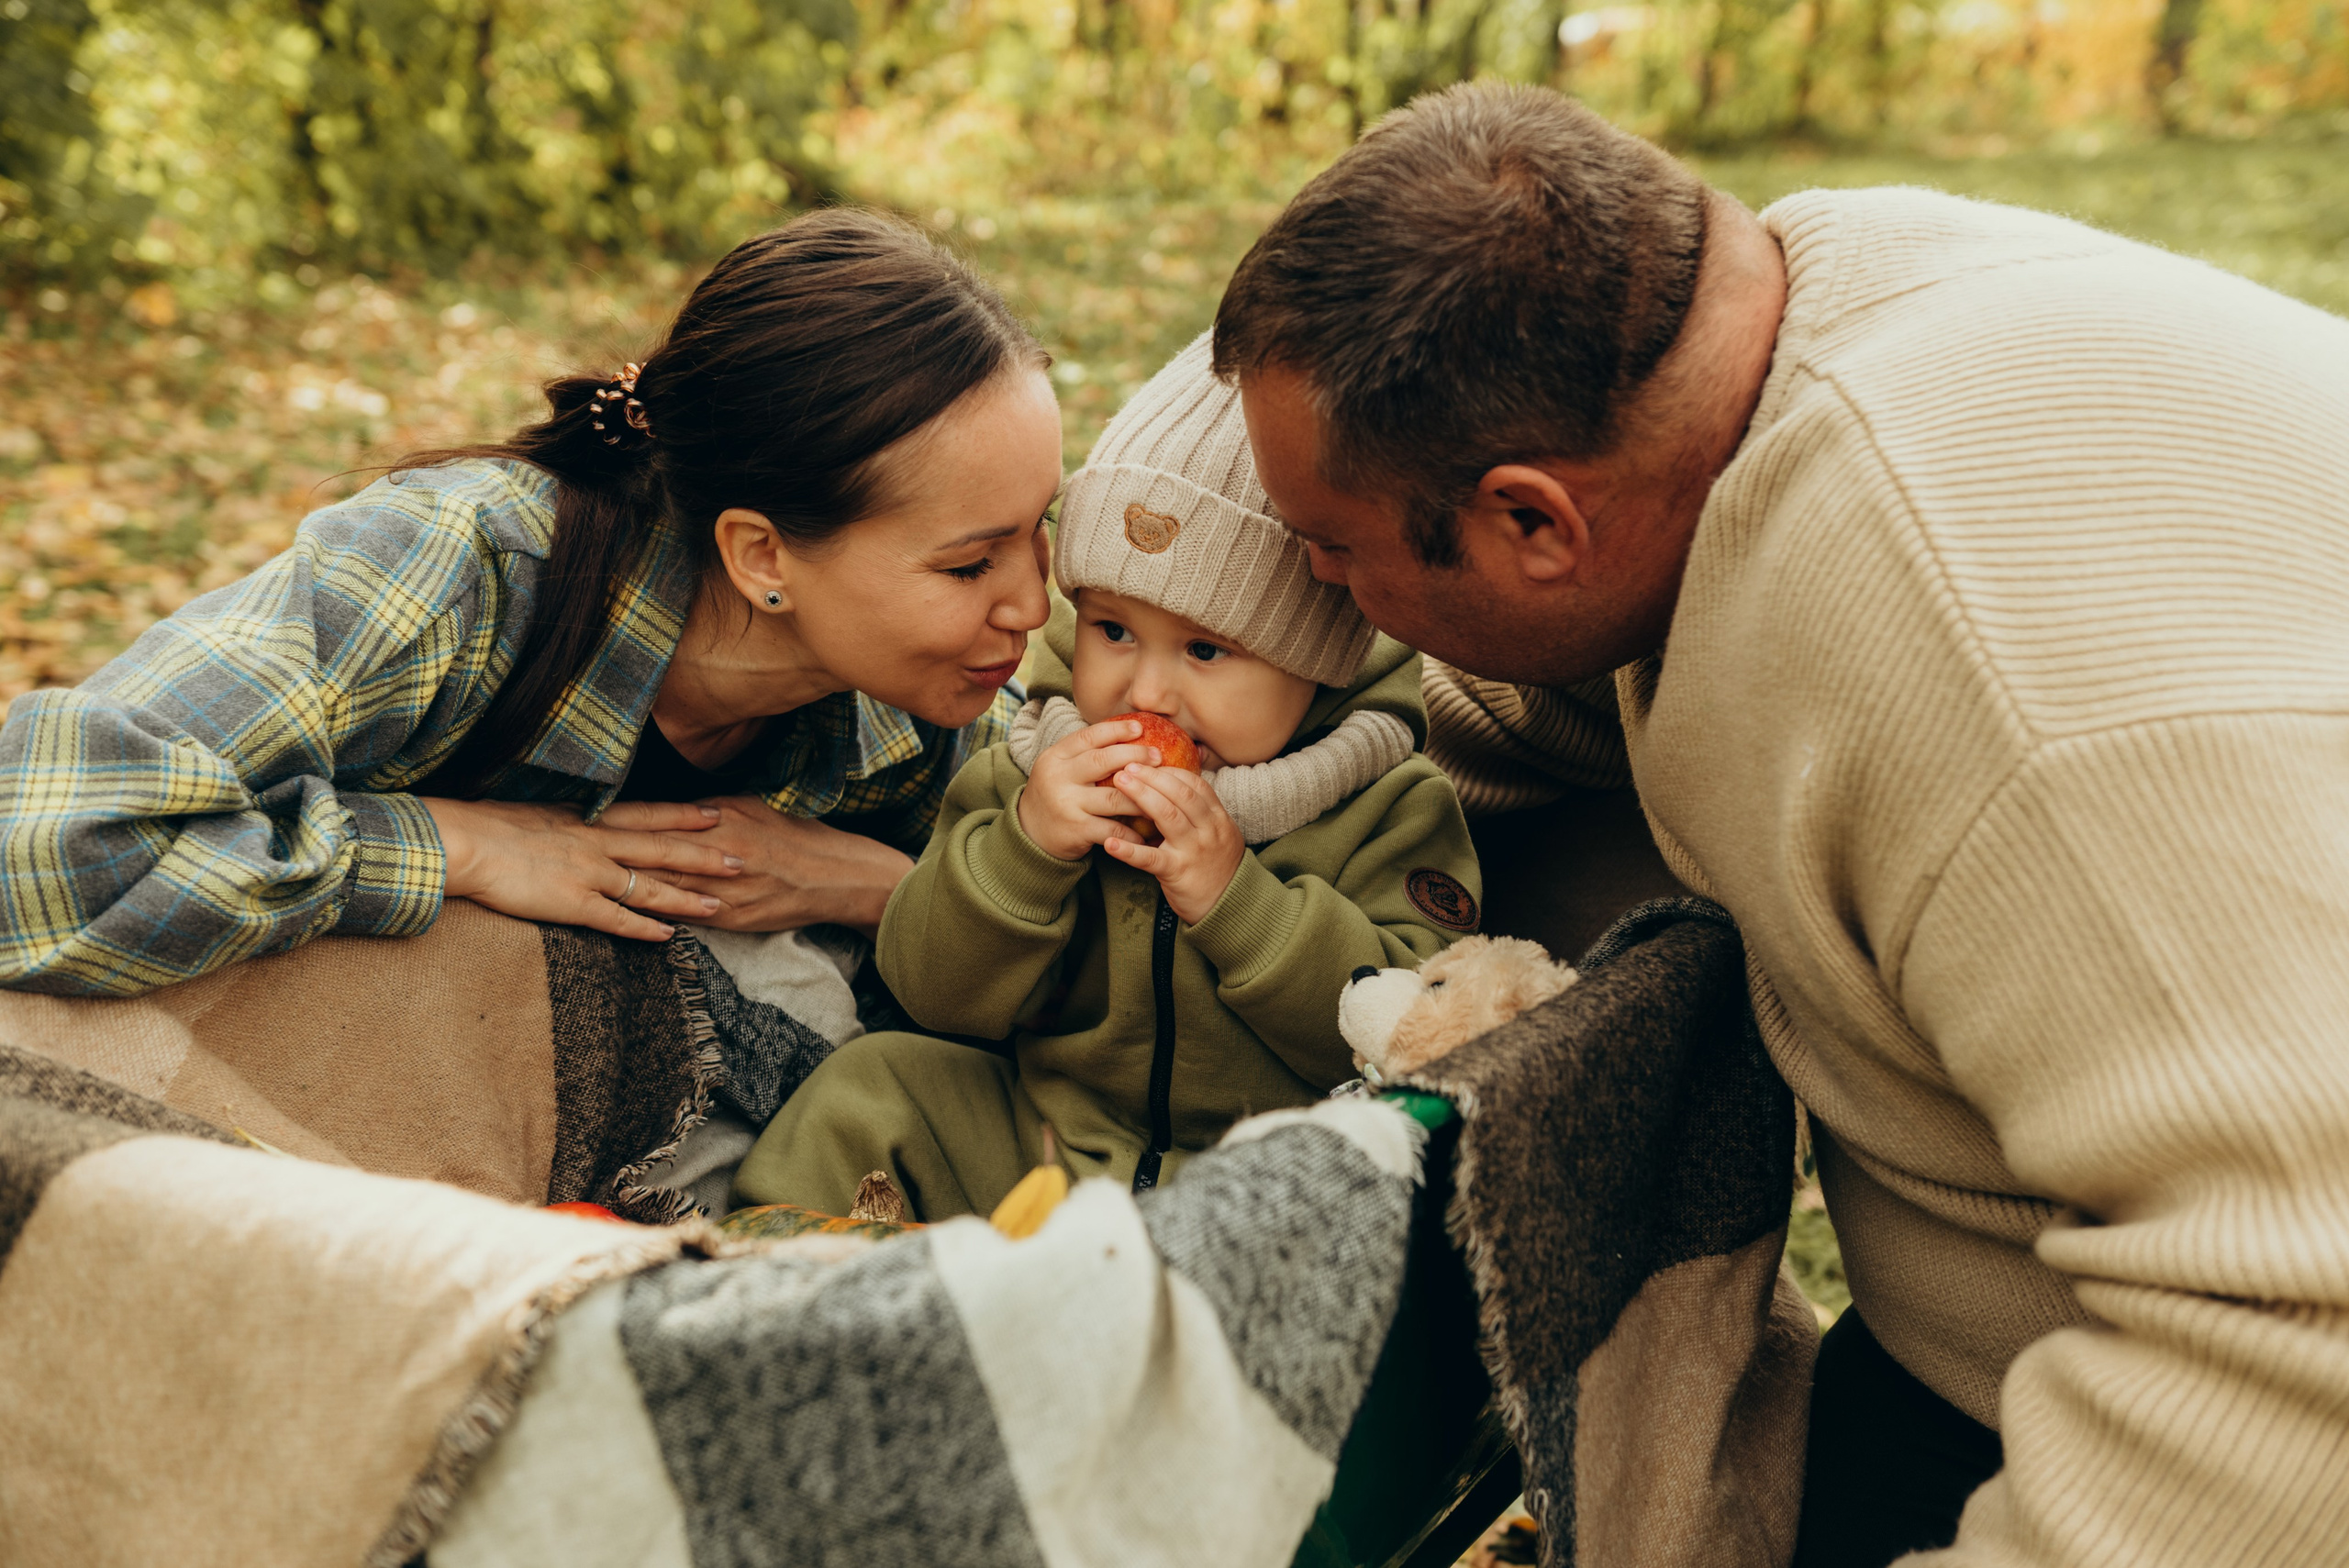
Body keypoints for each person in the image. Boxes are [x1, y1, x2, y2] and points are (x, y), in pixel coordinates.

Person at [1211, 83, 2349, 1568]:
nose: (1321, 600)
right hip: (1985, 1338)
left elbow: (2297, 1327)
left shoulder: (1973, 664)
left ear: (1535, 524)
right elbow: (1529, 714)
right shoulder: (1730, 354)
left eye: (1333, 556)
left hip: (2194, 1415)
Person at [0, 210, 1059, 996]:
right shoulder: (459, 573)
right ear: (760, 554)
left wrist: (870, 883)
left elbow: (1088, 959)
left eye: (1040, 528)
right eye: (970, 565)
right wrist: (453, 845)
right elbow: (42, 844)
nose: (1029, 603)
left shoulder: (916, 708)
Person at [733, 337, 1481, 1218]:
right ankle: (763, 1286)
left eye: (1206, 650)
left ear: (1314, 663)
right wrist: (1025, 850)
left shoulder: (1388, 808)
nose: (1146, 688)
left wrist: (1239, 902)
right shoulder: (1032, 769)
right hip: (1050, 1139)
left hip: (1264, 1186)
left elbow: (1419, 1040)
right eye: (1113, 631)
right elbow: (928, 992)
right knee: (875, 1083)